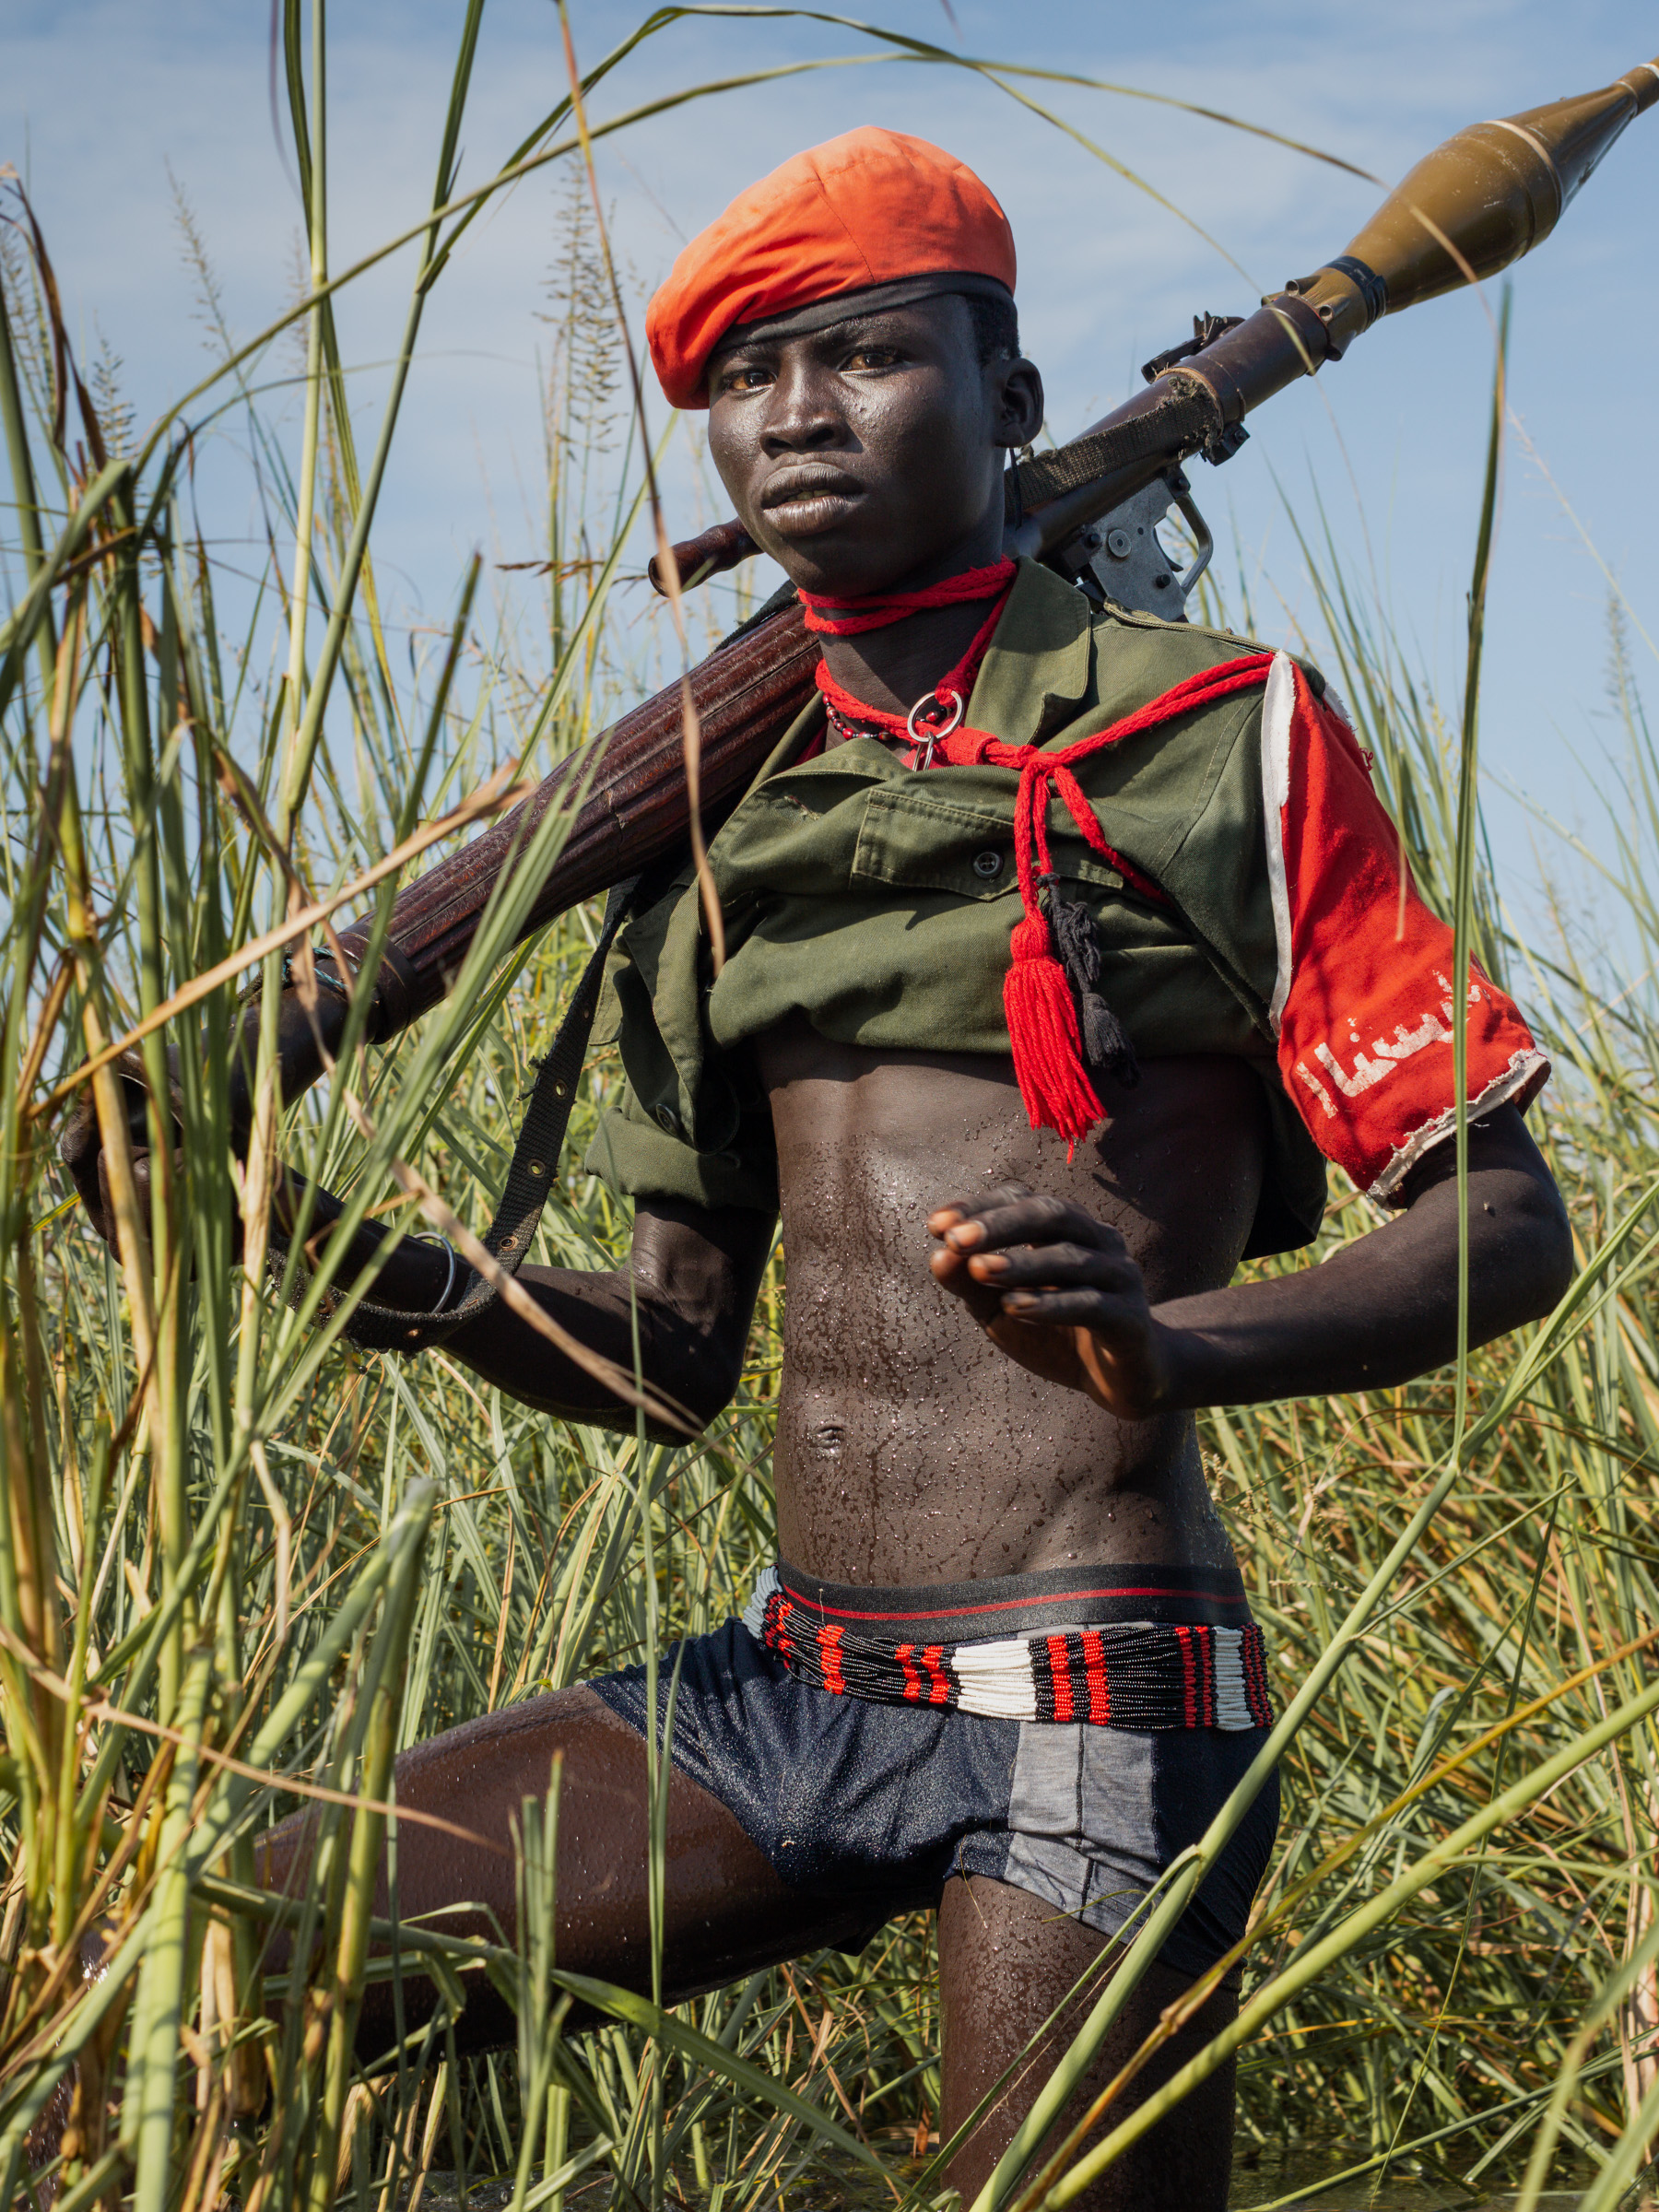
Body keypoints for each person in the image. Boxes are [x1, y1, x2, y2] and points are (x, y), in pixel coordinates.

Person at [125, 130, 1580, 2210]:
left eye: (868, 356)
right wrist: (314, 1245)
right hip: (794, 1679)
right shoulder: (706, 822)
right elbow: (665, 1353)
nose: (794, 416)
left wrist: (1169, 1346)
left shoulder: (1220, 737)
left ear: (1006, 407)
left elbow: (1502, 1224)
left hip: (1092, 1696)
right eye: (745, 380)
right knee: (233, 1963)